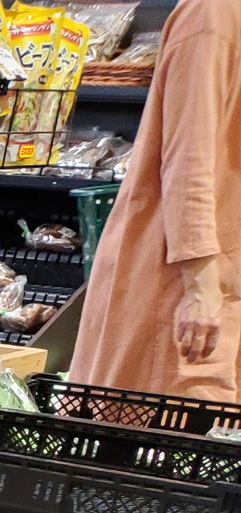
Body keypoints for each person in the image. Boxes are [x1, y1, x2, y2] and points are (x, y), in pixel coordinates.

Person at [69, 0, 241, 402]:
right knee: (159, 433)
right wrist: (201, 286)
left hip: (224, 274)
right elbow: (188, 155)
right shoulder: (212, 15)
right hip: (182, 277)